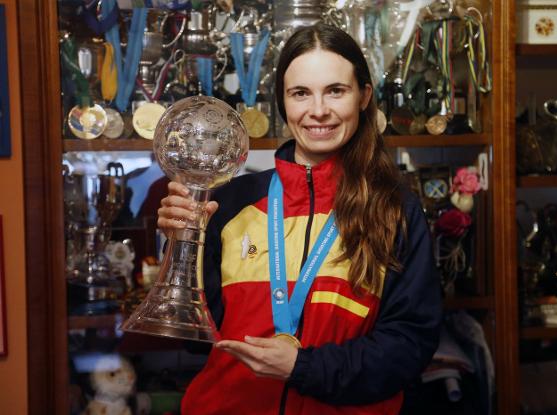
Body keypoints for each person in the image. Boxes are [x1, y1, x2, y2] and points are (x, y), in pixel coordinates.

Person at [157, 22, 442, 415]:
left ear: (364, 97)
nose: (318, 110)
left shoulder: (394, 210)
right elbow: (194, 338)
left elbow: (408, 347)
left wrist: (302, 368)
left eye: (336, 91)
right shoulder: (231, 202)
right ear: (284, 102)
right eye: (301, 93)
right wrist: (180, 245)